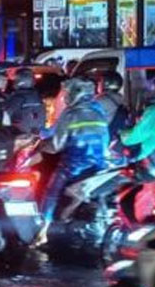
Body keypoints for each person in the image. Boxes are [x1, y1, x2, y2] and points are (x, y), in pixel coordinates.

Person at [41, 77, 111, 228]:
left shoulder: (70, 113)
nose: (65, 96)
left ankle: (43, 229)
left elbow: (56, 145)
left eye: (68, 92)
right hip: (99, 165)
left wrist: (40, 145)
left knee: (51, 192)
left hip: (74, 166)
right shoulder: (99, 110)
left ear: (76, 93)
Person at [2, 68, 46, 137]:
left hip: (18, 134)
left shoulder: (18, 98)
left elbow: (5, 114)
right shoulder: (38, 98)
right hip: (35, 135)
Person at [93, 71, 131, 140]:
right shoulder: (121, 98)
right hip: (115, 136)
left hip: (103, 137)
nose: (98, 84)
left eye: (100, 82)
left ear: (106, 84)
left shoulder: (100, 100)